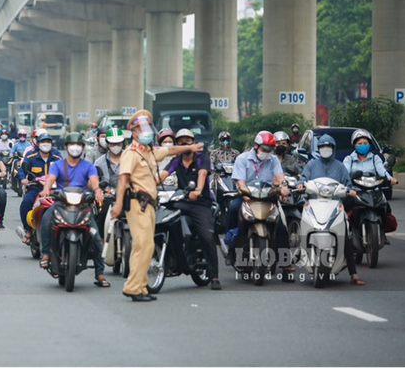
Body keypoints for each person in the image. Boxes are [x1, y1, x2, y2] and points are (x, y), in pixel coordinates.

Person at [109, 111, 203, 302]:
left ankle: (141, 286)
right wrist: (118, 204)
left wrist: (190, 147)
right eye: (141, 129)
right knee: (143, 244)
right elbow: (123, 180)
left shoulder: (148, 151)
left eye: (147, 128)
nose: (146, 132)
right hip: (137, 203)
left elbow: (169, 151)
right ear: (133, 132)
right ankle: (133, 287)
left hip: (150, 204)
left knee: (144, 246)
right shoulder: (131, 153)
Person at [40, 132, 109, 287]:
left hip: (83, 205)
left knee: (96, 236)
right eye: (72, 144)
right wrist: (46, 189)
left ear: (83, 148)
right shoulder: (57, 165)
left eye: (78, 145)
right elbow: (50, 179)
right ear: (66, 147)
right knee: (46, 219)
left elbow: (94, 181)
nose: (75, 147)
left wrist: (97, 191)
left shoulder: (88, 166)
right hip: (61, 203)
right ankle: (45, 253)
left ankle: (99, 273)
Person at [158, 129, 221, 290]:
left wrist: (198, 190)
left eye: (188, 141)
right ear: (177, 145)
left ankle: (214, 276)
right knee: (164, 219)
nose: (185, 143)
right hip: (182, 200)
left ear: (193, 143)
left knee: (207, 237)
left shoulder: (202, 159)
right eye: (181, 141)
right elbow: (162, 176)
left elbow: (202, 175)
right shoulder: (176, 160)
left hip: (201, 202)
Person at [299, 133, 365, 285]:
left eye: (329, 146)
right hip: (314, 203)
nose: (326, 149)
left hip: (335, 204)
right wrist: (301, 184)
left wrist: (351, 190)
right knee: (302, 223)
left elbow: (348, 183)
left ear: (333, 148)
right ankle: (297, 255)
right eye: (323, 146)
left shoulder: (340, 166)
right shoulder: (311, 165)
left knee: (346, 232)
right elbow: (303, 178)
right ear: (318, 148)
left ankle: (353, 274)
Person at [226, 131, 290, 274]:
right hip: (247, 197)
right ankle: (231, 248)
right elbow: (240, 181)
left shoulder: (273, 160)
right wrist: (243, 192)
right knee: (232, 209)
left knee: (280, 227)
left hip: (267, 198)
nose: (267, 152)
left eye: (269, 149)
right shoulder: (242, 159)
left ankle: (286, 263)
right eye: (264, 149)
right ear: (256, 146)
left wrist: (284, 186)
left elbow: (279, 175)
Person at [342, 129, 398, 244]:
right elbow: (345, 172)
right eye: (360, 143)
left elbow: (382, 170)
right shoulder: (349, 159)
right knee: (344, 207)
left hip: (373, 190)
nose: (363, 145)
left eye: (365, 143)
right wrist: (346, 181)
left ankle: (381, 231)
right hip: (355, 191)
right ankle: (347, 232)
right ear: (354, 145)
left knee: (386, 206)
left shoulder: (374, 158)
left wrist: (389, 178)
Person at [16, 132, 62, 245]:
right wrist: (23, 179)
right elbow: (22, 170)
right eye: (43, 142)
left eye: (48, 142)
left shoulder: (57, 156)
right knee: (26, 202)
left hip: (54, 189)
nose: (45, 144)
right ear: (38, 143)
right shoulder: (31, 156)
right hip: (36, 188)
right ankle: (28, 230)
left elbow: (65, 170)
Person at [94, 127, 126, 235]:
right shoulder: (99, 162)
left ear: (123, 143)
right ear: (107, 144)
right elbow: (93, 179)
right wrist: (97, 189)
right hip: (108, 197)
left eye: (118, 143)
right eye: (113, 144)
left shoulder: (130, 158)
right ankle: (102, 244)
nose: (116, 146)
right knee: (101, 214)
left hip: (128, 196)